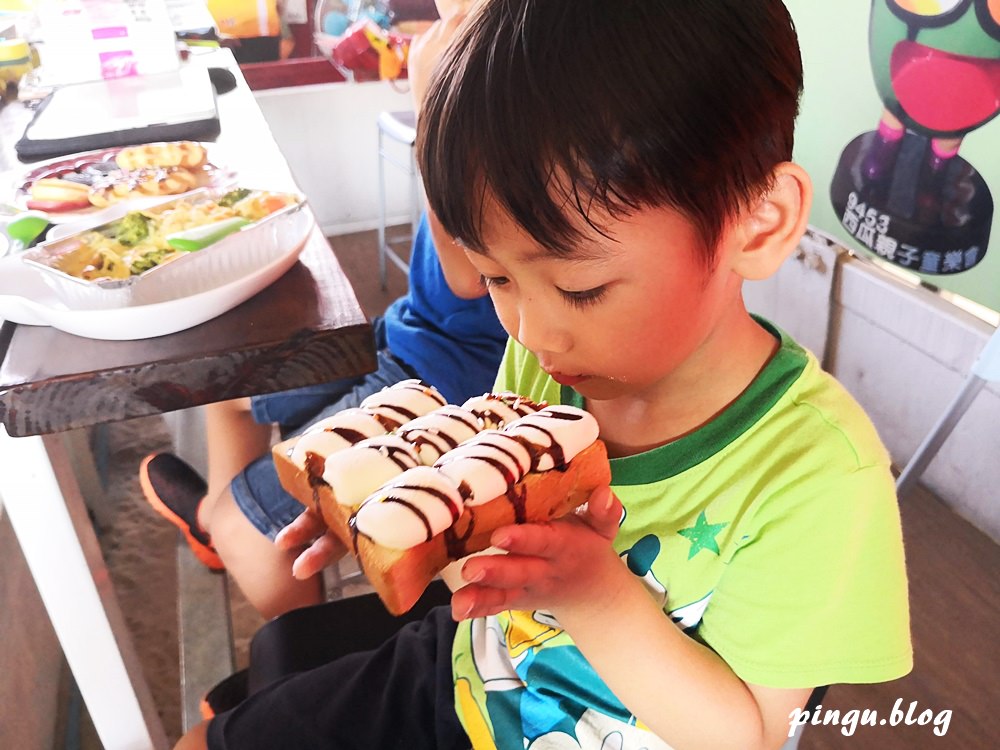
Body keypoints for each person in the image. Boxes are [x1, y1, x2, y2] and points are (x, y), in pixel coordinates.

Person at [176, 1, 913, 748]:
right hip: (460, 682)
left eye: (581, 289)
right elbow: (484, 572)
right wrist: (401, 516)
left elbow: (747, 735)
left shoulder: (820, 475)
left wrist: (596, 595)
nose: (532, 329)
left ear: (758, 222)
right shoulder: (546, 359)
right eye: (498, 279)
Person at [141, 219, 508, 619]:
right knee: (229, 383)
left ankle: (300, 637)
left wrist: (433, 159)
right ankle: (213, 526)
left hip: (456, 378)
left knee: (243, 529)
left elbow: (471, 277)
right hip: (412, 331)